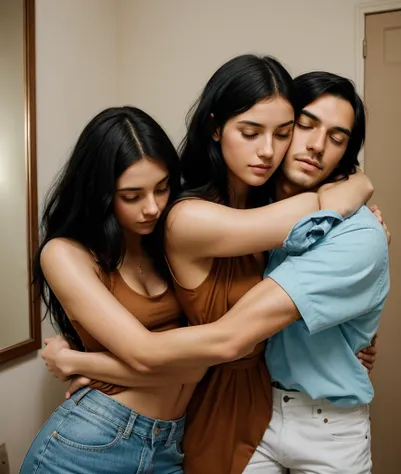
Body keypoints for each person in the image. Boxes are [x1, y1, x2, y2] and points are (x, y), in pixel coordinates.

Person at [39, 56, 376, 474]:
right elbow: (192, 350)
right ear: (216, 128)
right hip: (104, 432)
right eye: (250, 132)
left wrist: (84, 361)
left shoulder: (261, 208)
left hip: (185, 431)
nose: (268, 150)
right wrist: (355, 190)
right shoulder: (189, 218)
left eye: (283, 133)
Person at [20, 106, 195, 474]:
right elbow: (177, 363)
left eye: (162, 188)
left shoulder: (171, 241)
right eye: (131, 196)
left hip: (170, 444)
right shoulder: (67, 253)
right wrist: (200, 361)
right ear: (99, 193)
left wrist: (79, 362)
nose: (152, 208)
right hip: (91, 444)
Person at [243, 71, 390, 473]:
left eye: (337, 138)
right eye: (306, 125)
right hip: (250, 411)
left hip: (331, 427)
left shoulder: (358, 229)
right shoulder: (239, 208)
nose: (317, 145)